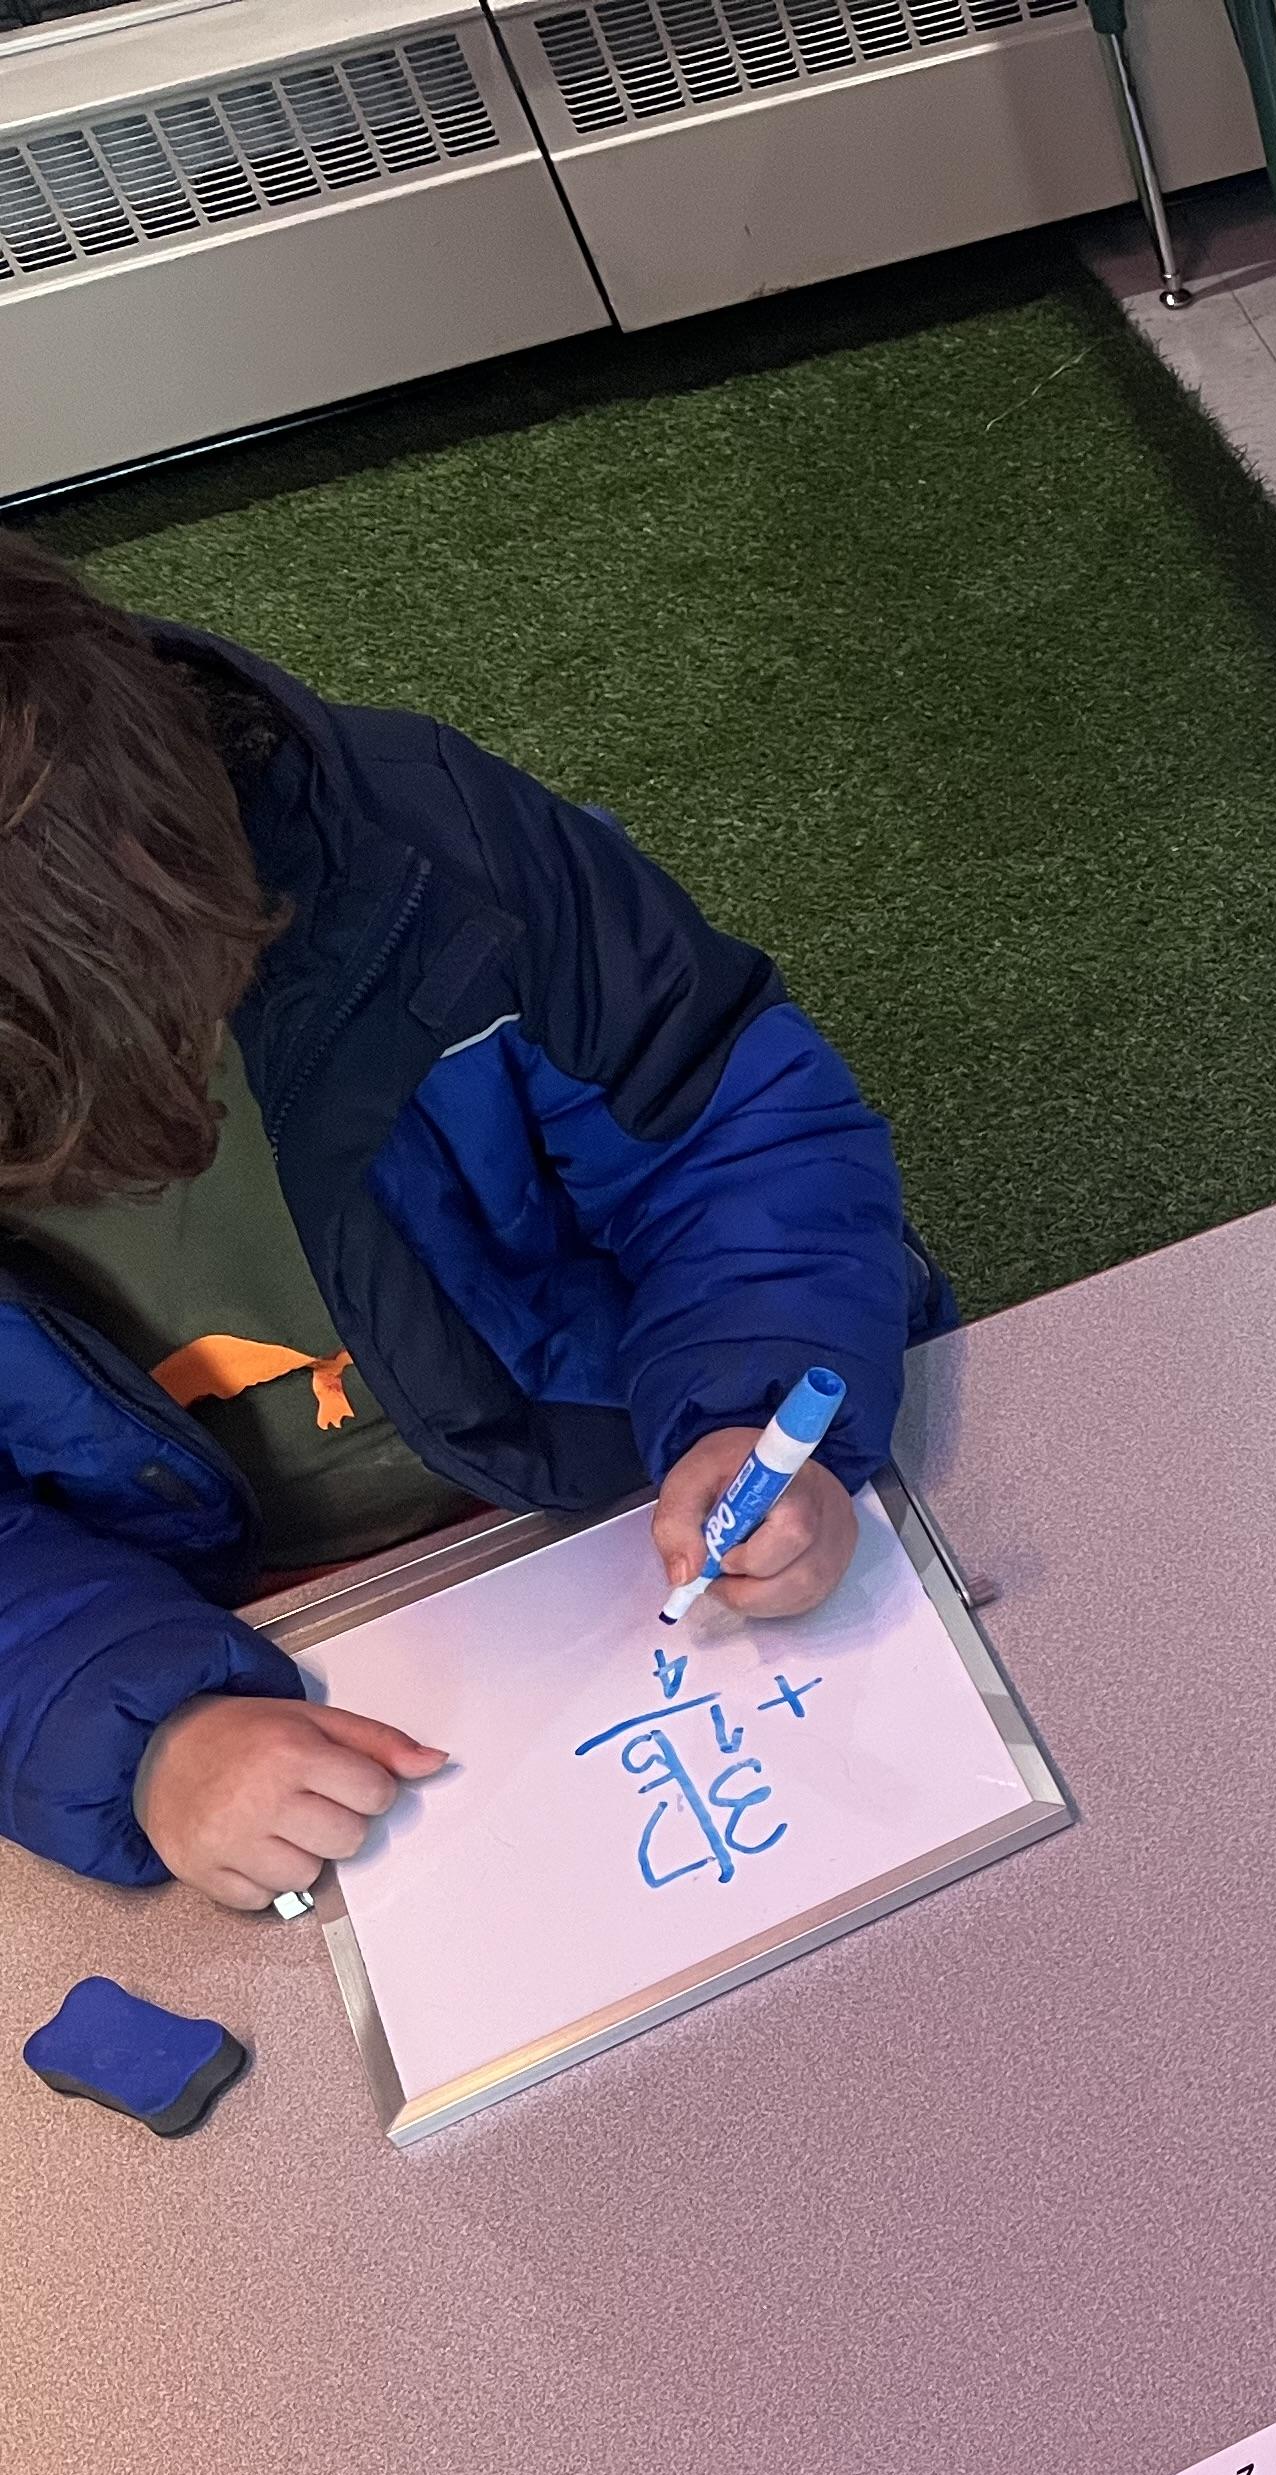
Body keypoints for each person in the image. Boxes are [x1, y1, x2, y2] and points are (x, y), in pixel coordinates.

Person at [0, 530, 943, 1912]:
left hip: (631, 1470)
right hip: (210, 1621)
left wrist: (751, 1407)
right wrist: (141, 1732)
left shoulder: (425, 845)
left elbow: (728, 1124)